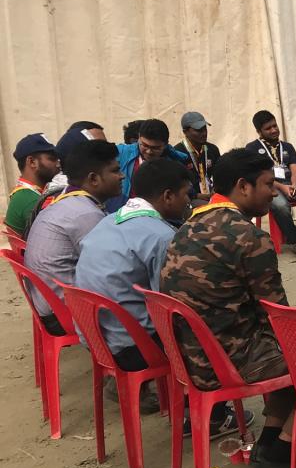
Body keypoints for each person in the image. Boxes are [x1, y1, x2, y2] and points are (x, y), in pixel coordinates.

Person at [159, 148, 296, 468]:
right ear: (243, 187)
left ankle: (270, 441)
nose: (273, 191)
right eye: (267, 184)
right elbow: (280, 321)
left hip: (191, 359)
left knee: (293, 346)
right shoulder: (249, 236)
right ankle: (284, 451)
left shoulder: (187, 227)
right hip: (228, 362)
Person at [74, 160, 188, 414]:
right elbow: (168, 302)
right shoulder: (161, 235)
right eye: (185, 195)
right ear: (168, 196)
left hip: (95, 339)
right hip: (131, 348)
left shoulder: (108, 222)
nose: (187, 202)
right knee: (211, 329)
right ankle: (207, 413)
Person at [24, 140, 124, 335]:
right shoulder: (85, 214)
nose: (122, 176)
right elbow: (109, 271)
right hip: (62, 315)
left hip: (47, 305)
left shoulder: (67, 201)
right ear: (94, 179)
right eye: (115, 171)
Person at [246, 110, 296, 256]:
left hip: (291, 183)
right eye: (268, 128)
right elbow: (260, 176)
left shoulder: (287, 147)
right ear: (259, 131)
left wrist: (294, 185)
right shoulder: (252, 149)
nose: (274, 130)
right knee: (281, 206)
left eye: (275, 126)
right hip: (268, 187)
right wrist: (282, 187)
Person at [115, 119, 188, 205]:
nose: (149, 151)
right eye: (145, 145)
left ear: (165, 144)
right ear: (138, 138)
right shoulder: (121, 153)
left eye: (155, 148)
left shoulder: (175, 164)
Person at [5, 134, 59, 237]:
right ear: (32, 162)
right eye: (52, 159)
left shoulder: (26, 193)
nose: (58, 164)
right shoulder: (31, 200)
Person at [173, 111, 221, 203]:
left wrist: (216, 190)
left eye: (205, 129)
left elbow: (220, 175)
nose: (204, 133)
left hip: (212, 196)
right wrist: (196, 195)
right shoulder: (177, 152)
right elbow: (176, 184)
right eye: (198, 130)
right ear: (185, 132)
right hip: (189, 199)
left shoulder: (212, 149)